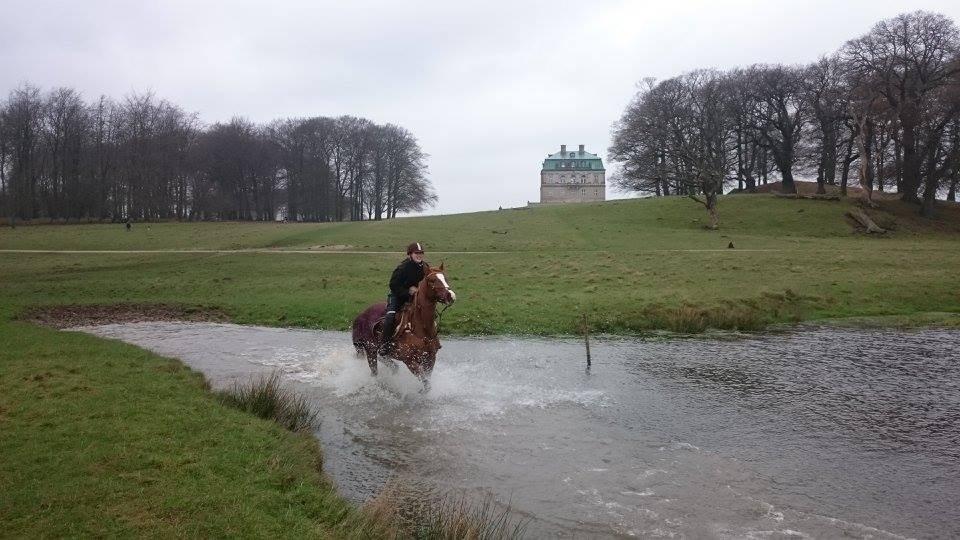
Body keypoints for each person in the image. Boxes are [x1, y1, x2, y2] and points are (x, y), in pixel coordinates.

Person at [378, 242, 427, 355]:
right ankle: (385, 345)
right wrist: (408, 292)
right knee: (390, 317)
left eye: (421, 253)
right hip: (397, 297)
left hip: (415, 299)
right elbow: (393, 285)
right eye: (416, 253)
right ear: (410, 254)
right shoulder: (402, 267)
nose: (419, 255)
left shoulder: (425, 267)